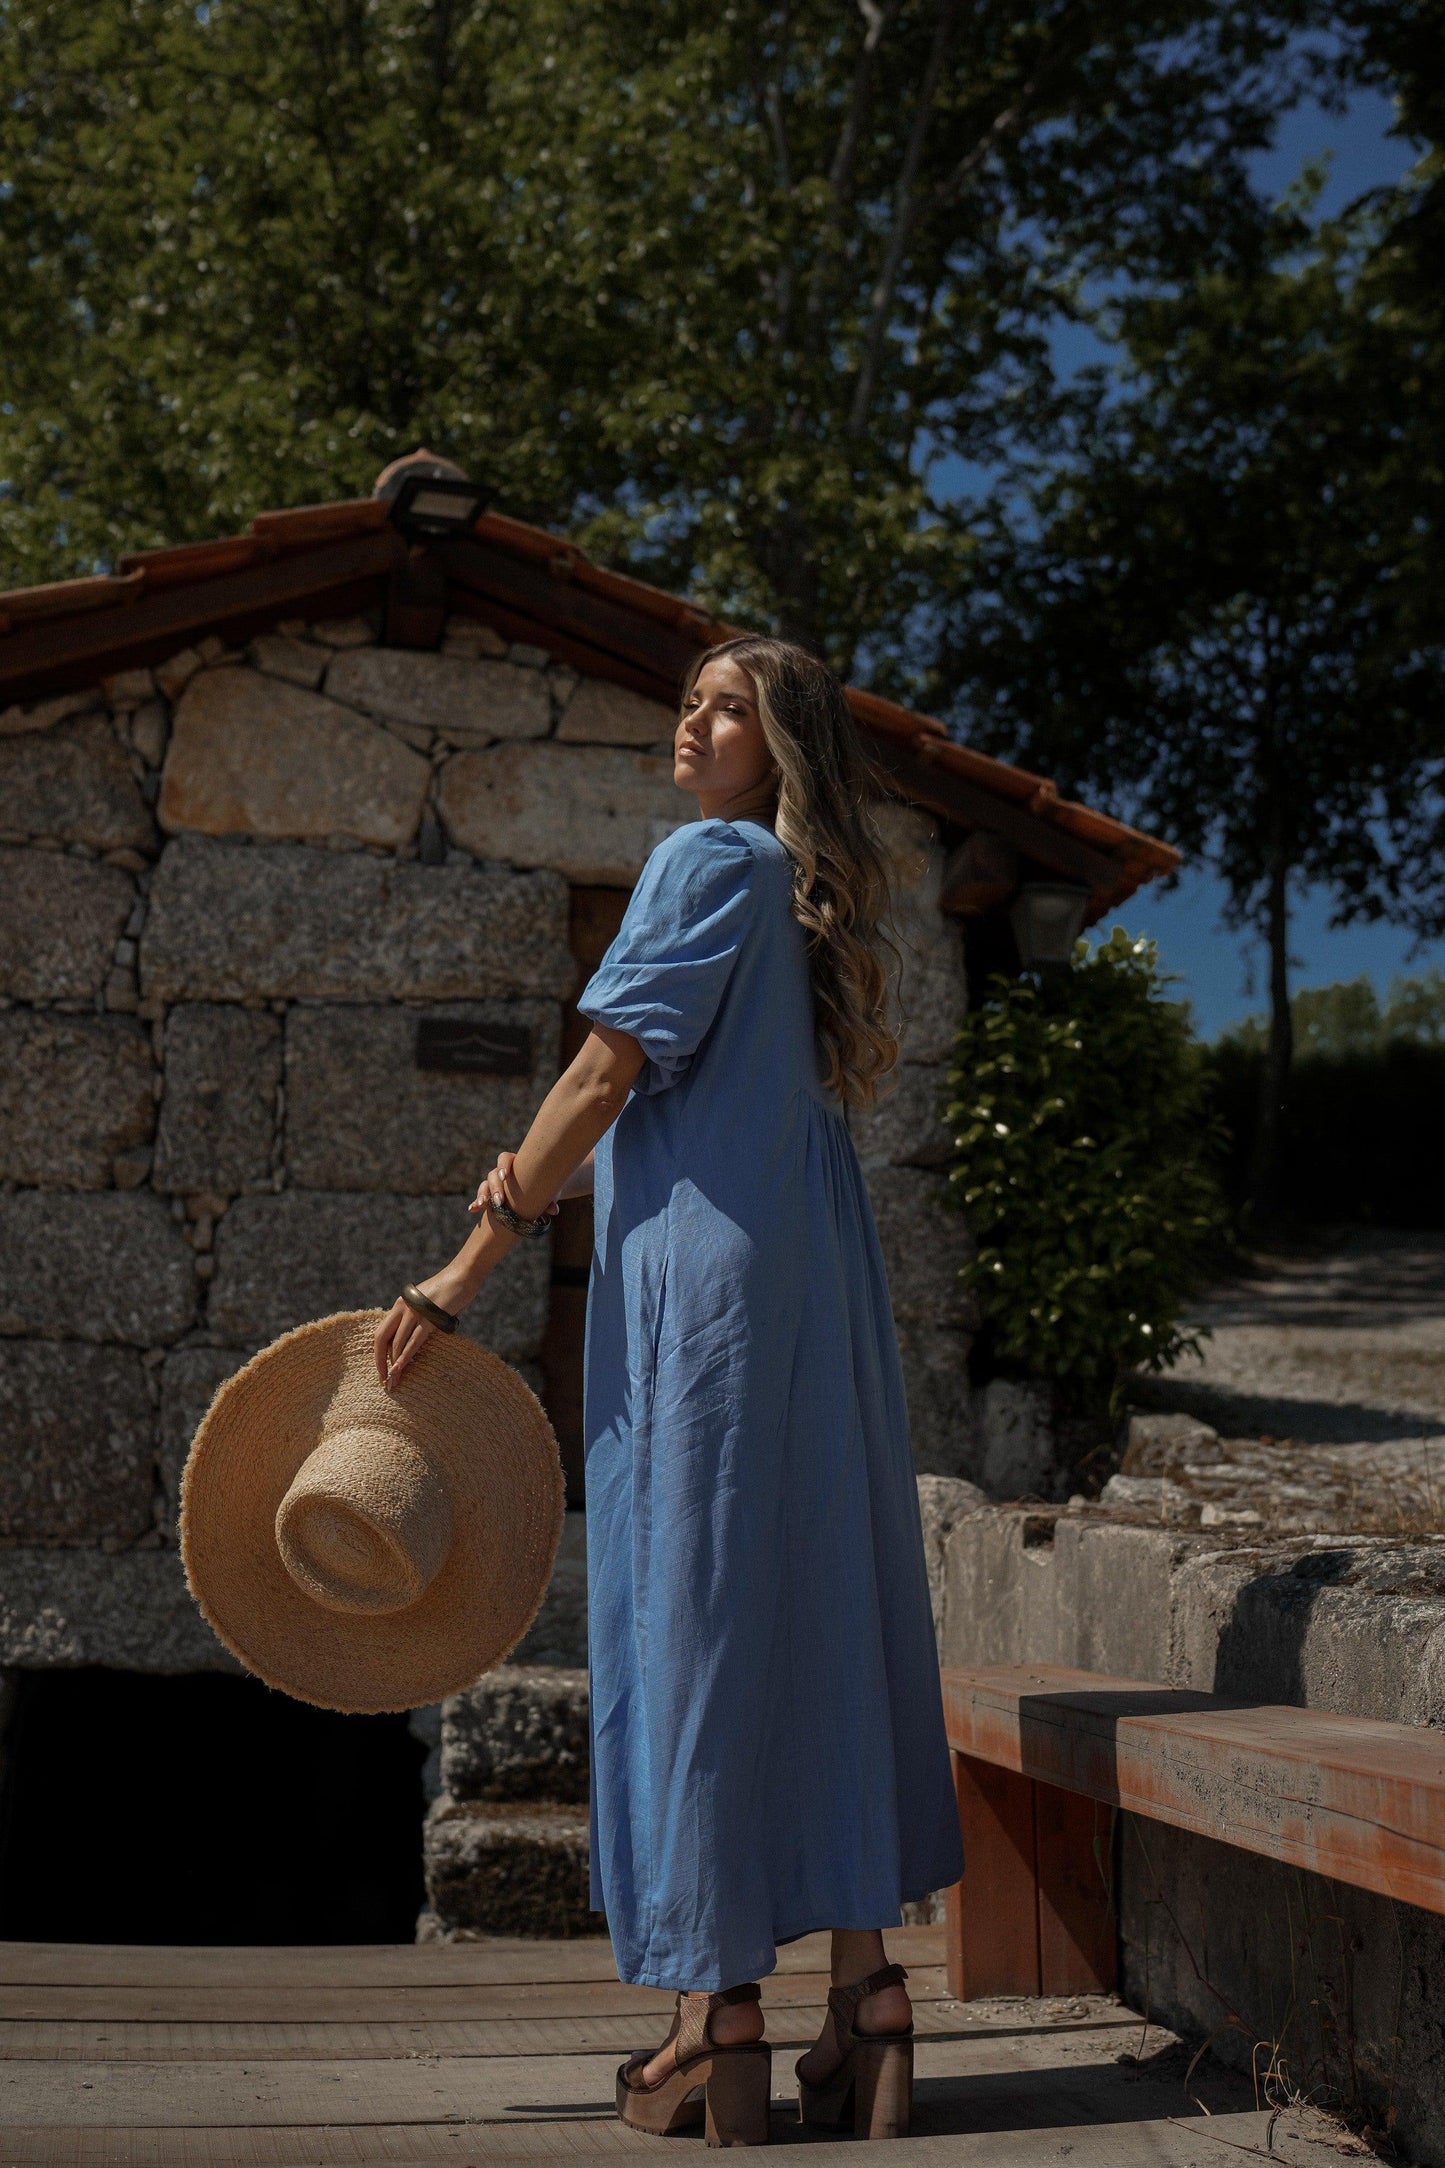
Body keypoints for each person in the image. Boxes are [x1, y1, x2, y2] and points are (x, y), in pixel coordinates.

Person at [375, 637, 964, 2143]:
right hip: (818, 1281)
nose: (691, 727)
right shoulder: (790, 891)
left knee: (694, 1609)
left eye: (726, 709)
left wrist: (469, 1259)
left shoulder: (704, 862)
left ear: (780, 745)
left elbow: (602, 1072)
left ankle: (718, 2018)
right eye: (688, 704)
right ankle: (870, 1999)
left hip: (707, 1292)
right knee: (823, 1599)